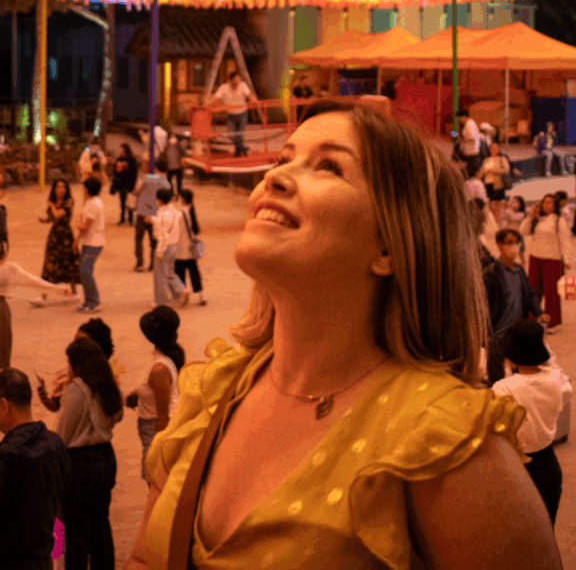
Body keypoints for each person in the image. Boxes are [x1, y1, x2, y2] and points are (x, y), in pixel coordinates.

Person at [125, 100, 561, 570]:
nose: (274, 177)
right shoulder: (212, 391)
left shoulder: (445, 443)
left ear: (390, 247)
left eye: (329, 166)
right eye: (283, 159)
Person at [56, 337, 123, 570]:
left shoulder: (76, 390)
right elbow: (117, 417)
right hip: (106, 458)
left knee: (76, 531)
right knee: (100, 526)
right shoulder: (107, 386)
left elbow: (63, 433)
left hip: (79, 463)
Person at [492, 321, 564, 526]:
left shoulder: (503, 389)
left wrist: (507, 371)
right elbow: (553, 371)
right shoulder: (556, 380)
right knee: (547, 531)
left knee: (520, 536)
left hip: (517, 467)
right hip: (548, 463)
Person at [0, 368, 70, 570]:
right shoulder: (55, 443)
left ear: (4, 405)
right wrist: (58, 553)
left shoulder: (6, 458)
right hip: (44, 559)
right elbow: (60, 508)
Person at [125, 306, 185, 481]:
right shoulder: (169, 358)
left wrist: (159, 447)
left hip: (154, 428)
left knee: (154, 478)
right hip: (156, 424)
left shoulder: (159, 368)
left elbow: (162, 418)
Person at [483, 228, 549, 385]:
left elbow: (531, 295)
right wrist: (486, 331)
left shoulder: (519, 270)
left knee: (519, 374)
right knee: (496, 376)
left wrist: (538, 312)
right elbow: (485, 304)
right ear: (500, 245)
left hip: (518, 331)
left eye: (517, 242)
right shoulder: (491, 273)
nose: (514, 246)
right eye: (509, 242)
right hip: (498, 333)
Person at [0, 220, 67, 368]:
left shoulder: (9, 268)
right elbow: (34, 281)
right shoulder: (8, 268)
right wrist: (57, 289)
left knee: (2, 353)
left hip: (1, 311)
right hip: (1, 310)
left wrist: (57, 289)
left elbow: (34, 282)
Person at [37, 318, 117, 414]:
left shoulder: (106, 382)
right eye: (75, 342)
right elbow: (56, 406)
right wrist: (46, 400)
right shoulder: (67, 376)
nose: (75, 347)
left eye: (82, 344)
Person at [521, 193, 573, 332]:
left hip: (553, 260)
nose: (546, 205)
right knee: (533, 291)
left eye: (549, 202)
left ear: (555, 205)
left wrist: (567, 259)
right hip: (535, 258)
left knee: (551, 293)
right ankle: (534, 319)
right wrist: (530, 216)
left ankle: (552, 323)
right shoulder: (536, 219)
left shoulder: (559, 221)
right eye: (544, 202)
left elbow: (565, 242)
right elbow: (522, 231)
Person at [31, 178, 79, 308]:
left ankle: (74, 292)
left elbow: (58, 215)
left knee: (68, 264)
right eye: (58, 187)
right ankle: (43, 296)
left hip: (65, 237)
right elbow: (52, 218)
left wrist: (51, 205)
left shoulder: (69, 201)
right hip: (54, 237)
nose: (61, 190)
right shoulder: (54, 202)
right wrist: (45, 220)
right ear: (54, 189)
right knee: (49, 265)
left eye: (63, 187)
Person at [148, 188, 189, 308]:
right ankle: (180, 290)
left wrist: (160, 251)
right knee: (170, 271)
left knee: (159, 274)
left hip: (165, 246)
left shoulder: (164, 213)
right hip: (174, 245)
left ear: (160, 200)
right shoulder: (175, 212)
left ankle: (160, 300)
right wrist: (153, 220)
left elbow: (163, 234)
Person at [134, 159, 170, 272]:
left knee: (139, 238)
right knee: (154, 240)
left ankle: (139, 263)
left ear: (156, 168)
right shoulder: (167, 183)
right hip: (155, 214)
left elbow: (137, 190)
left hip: (142, 211)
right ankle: (152, 264)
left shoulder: (147, 178)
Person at [76, 176, 105, 315]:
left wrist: (76, 237)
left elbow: (85, 225)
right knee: (84, 271)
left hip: (94, 242)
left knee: (85, 271)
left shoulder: (94, 204)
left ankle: (94, 301)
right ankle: (88, 301)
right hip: (89, 241)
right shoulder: (92, 202)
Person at [209, 71, 254, 158]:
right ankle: (245, 149)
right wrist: (207, 104)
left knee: (240, 135)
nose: (238, 82)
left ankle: (237, 154)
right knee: (231, 134)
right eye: (236, 80)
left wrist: (254, 101)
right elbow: (215, 97)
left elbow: (249, 95)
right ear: (230, 80)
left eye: (239, 80)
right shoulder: (224, 88)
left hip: (242, 113)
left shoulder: (243, 85)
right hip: (231, 114)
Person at [174, 188, 207, 306]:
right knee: (194, 272)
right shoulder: (192, 211)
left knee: (179, 272)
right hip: (191, 250)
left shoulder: (180, 214)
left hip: (181, 250)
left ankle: (182, 294)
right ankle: (200, 296)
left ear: (183, 199)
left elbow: (175, 232)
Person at [479, 142, 511, 221]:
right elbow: (482, 171)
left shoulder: (502, 159)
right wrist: (484, 172)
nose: (494, 150)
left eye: (496, 148)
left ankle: (497, 221)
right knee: (489, 203)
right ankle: (491, 221)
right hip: (487, 182)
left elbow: (506, 170)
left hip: (497, 183)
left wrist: (494, 170)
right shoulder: (486, 159)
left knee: (497, 203)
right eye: (492, 148)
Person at [111, 143, 138, 226]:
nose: (121, 151)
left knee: (129, 202)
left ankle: (130, 220)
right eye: (121, 149)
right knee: (122, 202)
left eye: (123, 149)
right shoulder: (119, 159)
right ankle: (122, 219)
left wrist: (123, 171)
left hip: (129, 184)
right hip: (121, 184)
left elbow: (134, 172)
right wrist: (117, 172)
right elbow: (115, 170)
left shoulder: (131, 159)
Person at [501, 195, 527, 268]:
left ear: (521, 204)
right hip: (509, 234)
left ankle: (523, 265)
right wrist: (506, 208)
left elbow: (515, 217)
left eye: (516, 202)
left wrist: (509, 209)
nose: (514, 204)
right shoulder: (509, 211)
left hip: (519, 235)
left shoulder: (522, 214)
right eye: (513, 202)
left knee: (521, 251)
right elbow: (503, 218)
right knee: (509, 251)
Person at [455, 108, 481, 175]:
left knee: (469, 172)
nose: (459, 120)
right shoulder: (469, 123)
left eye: (459, 118)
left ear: (463, 117)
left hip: (471, 152)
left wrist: (462, 140)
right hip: (470, 151)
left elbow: (472, 138)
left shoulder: (469, 124)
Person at [164, 134, 185, 198]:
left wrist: (182, 161)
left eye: (173, 137)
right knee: (169, 181)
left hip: (178, 167)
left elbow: (183, 154)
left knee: (179, 181)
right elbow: (164, 155)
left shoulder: (178, 146)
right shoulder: (167, 147)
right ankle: (171, 193)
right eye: (171, 137)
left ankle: (179, 193)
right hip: (170, 167)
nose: (172, 139)